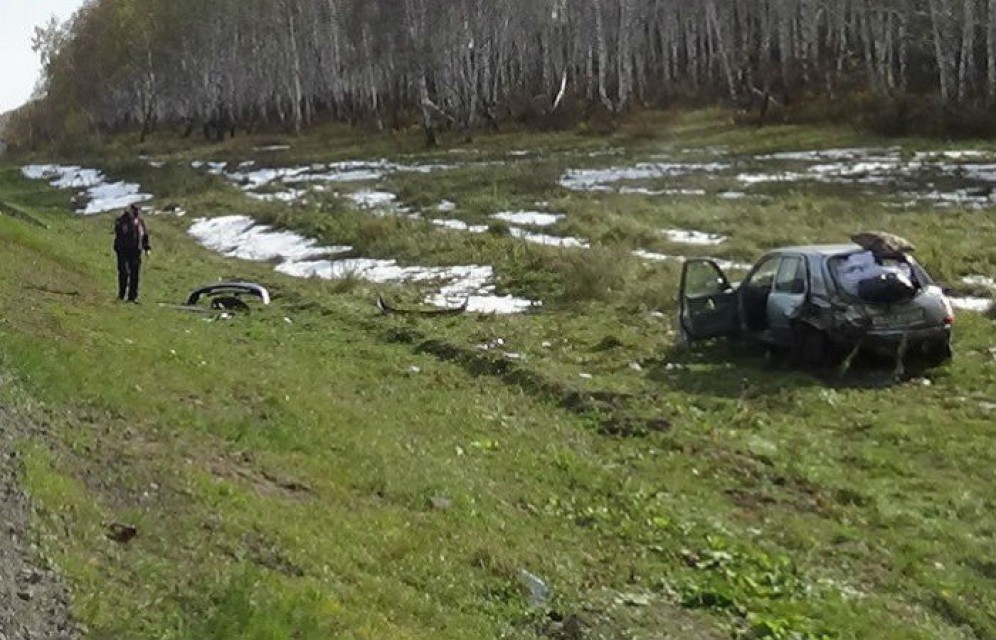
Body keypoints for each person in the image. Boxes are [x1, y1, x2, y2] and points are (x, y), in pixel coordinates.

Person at [113, 204, 151, 302]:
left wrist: (146, 248)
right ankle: (121, 295)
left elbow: (144, 235)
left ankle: (132, 297)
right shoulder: (122, 221)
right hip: (123, 251)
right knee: (124, 272)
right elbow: (118, 234)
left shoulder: (140, 222)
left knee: (135, 274)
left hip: (136, 251)